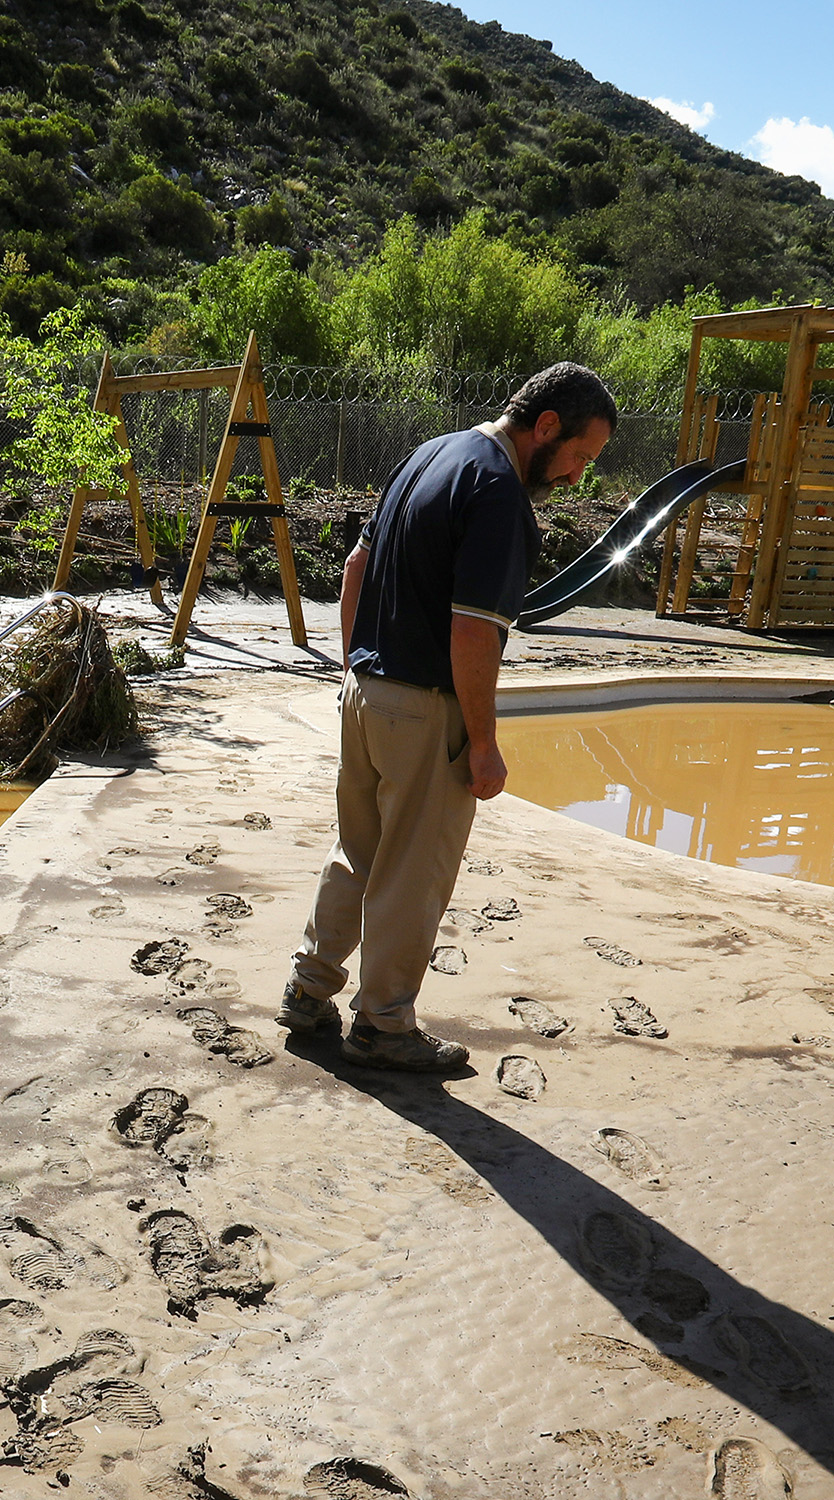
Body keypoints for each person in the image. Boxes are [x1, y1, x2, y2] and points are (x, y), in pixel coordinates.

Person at [280, 362, 616, 1070]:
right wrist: (484, 742)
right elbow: (473, 631)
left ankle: (308, 990)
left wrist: (355, 667)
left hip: (365, 692)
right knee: (413, 872)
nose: (577, 475)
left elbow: (354, 569)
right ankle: (384, 1026)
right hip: (425, 709)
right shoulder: (497, 493)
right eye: (581, 455)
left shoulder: (430, 454)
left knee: (357, 851)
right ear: (546, 426)